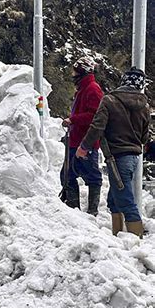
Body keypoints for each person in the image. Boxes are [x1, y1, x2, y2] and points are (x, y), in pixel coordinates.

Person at [76, 68, 149, 237]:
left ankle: (137, 241)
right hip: (133, 158)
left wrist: (83, 147)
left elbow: (97, 127)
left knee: (125, 199)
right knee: (114, 199)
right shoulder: (144, 107)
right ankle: (118, 235)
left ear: (123, 81)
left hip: (117, 157)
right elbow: (144, 137)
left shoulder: (109, 100)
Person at [61, 57, 103, 215]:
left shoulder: (93, 89)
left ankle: (92, 211)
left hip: (86, 143)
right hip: (75, 141)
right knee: (67, 175)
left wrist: (73, 119)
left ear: (82, 72)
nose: (72, 74)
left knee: (92, 177)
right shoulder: (83, 89)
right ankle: (74, 210)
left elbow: (95, 116)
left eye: (75, 71)